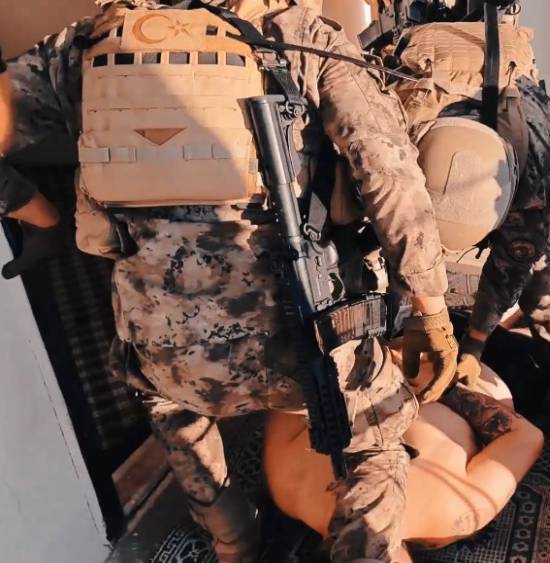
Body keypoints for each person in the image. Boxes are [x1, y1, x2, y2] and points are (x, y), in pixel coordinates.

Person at [0, 1, 461, 561]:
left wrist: (41, 217)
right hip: (311, 341)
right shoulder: (302, 37)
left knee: (167, 407)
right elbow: (390, 175)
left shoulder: (87, 47)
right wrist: (432, 311)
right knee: (376, 438)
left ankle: (233, 540)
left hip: (172, 359)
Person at [372, 3, 550, 447]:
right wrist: (419, 314)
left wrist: (474, 344)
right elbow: (391, 234)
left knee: (540, 269)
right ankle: (386, 339)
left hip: (505, 86)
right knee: (388, 257)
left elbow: (517, 260)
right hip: (425, 84)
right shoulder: (387, 149)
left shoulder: (534, 168)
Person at [264, 349, 544, 562]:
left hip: (385, 348)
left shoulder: (451, 516)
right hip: (457, 367)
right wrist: (436, 384)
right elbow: (525, 437)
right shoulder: (287, 488)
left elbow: (298, 383)